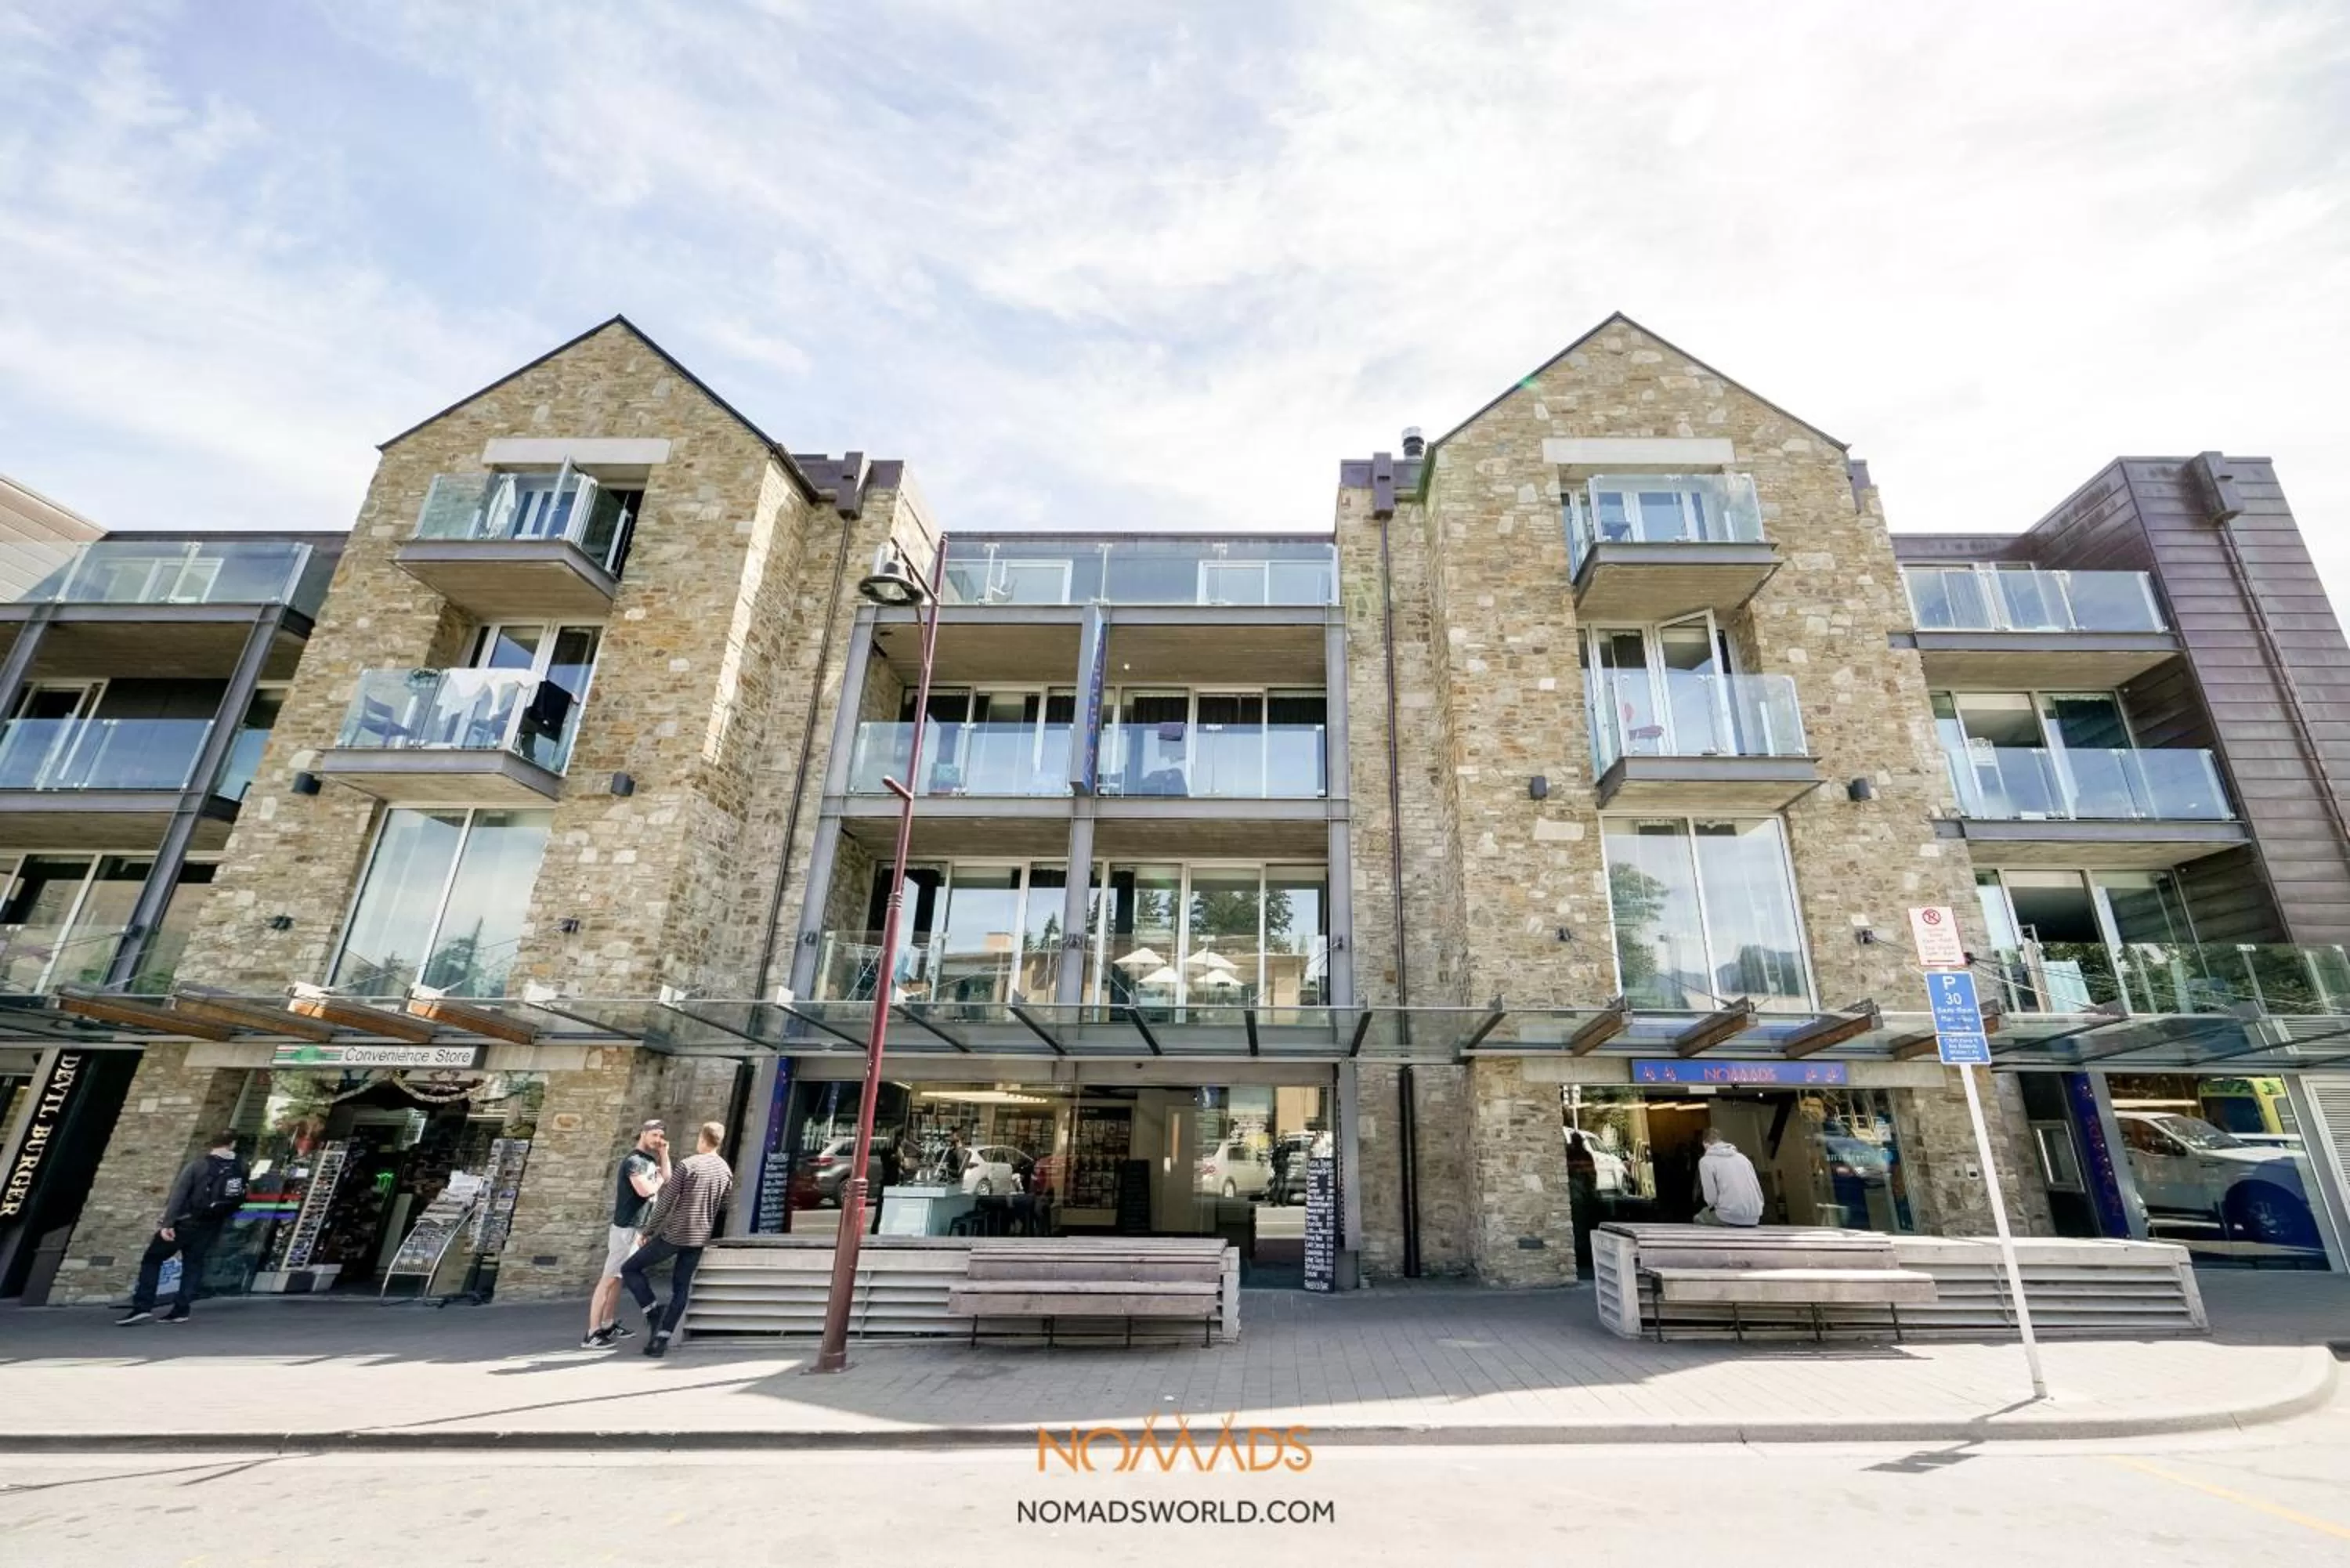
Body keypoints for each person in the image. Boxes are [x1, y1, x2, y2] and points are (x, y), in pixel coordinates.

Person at [620, 1120, 735, 1358]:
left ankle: (652, 1312)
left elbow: (666, 1202)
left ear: (702, 1139)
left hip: (675, 1233)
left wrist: (648, 1231)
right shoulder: (725, 1170)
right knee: (681, 1288)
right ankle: (661, 1340)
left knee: (630, 1268)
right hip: (699, 1236)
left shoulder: (688, 1165)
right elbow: (723, 1206)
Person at [118, 1131, 248, 1325]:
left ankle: (143, 1306)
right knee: (193, 1265)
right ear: (233, 1144)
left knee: (152, 1259)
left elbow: (179, 1196)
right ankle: (181, 1309)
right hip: (212, 1223)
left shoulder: (198, 1165)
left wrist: (167, 1224)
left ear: (211, 1144)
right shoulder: (241, 1167)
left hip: (185, 1222)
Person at [584, 1119, 669, 1349]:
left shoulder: (650, 1160)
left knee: (620, 1278)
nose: (658, 1140)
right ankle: (593, 1332)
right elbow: (645, 1190)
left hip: (638, 1227)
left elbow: (667, 1177)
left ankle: (608, 1323)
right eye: (655, 1135)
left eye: (661, 1136)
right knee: (609, 1278)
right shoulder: (634, 1161)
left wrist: (664, 1154)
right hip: (627, 1228)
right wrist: (659, 1180)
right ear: (643, 1134)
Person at [1695, 1127, 1766, 1227]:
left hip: (1728, 1215)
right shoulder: (1743, 1158)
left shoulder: (1706, 1161)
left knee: (1699, 1217)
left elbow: (1710, 1197)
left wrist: (1716, 1207)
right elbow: (1757, 1188)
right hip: (1755, 1216)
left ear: (1705, 1144)